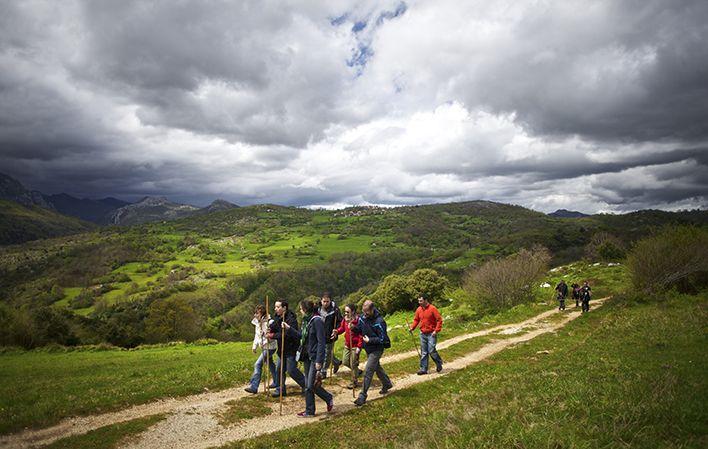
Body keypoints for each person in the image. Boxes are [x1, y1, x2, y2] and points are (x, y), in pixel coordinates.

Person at [284, 299, 334, 417]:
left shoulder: (317, 321)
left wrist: (319, 361)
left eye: (301, 309)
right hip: (307, 356)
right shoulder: (306, 322)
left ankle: (310, 410)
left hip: (314, 357)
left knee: (309, 385)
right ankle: (326, 398)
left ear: (305, 310)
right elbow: (302, 336)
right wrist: (289, 329)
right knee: (308, 384)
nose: (300, 311)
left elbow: (322, 342)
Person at [352, 299, 393, 406]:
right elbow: (360, 329)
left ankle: (362, 396)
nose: (365, 314)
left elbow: (383, 339)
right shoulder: (362, 318)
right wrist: (353, 328)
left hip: (377, 349)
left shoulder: (379, 322)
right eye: (363, 311)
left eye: (367, 312)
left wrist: (370, 340)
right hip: (368, 348)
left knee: (368, 370)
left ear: (372, 309)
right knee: (377, 368)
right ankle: (387, 384)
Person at [268, 299, 306, 397]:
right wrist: (269, 329)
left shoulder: (291, 319)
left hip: (291, 349)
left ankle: (306, 386)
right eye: (275, 307)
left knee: (291, 370)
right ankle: (280, 390)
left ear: (284, 308)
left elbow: (286, 335)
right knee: (279, 369)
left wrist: (272, 335)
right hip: (282, 349)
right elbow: (274, 325)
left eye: (278, 307)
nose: (275, 309)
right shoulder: (277, 317)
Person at [244, 305, 277, 394]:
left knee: (257, 364)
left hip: (270, 348)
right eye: (255, 313)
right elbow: (256, 335)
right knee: (271, 364)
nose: (255, 315)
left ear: (262, 314)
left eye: (257, 313)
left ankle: (254, 387)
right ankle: (277, 381)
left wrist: (266, 337)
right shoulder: (257, 323)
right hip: (263, 347)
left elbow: (274, 337)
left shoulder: (270, 322)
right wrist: (254, 346)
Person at [409, 293, 444, 375]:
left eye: (421, 300)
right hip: (423, 333)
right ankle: (423, 369)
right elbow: (416, 320)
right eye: (418, 301)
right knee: (424, 352)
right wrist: (412, 328)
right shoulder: (418, 309)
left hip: (432, 333)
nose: (419, 302)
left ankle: (439, 363)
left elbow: (439, 320)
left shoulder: (433, 308)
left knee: (431, 350)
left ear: (425, 300)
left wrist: (436, 330)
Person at [332, 303, 363, 388]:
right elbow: (342, 328)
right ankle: (356, 371)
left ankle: (354, 381)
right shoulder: (345, 319)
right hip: (347, 344)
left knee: (353, 363)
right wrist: (337, 331)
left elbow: (361, 334)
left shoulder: (358, 321)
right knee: (345, 361)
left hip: (355, 346)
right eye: (345, 311)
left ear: (353, 311)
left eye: (347, 312)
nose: (345, 313)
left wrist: (359, 347)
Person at [319, 292, 342, 378]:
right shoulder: (317, 309)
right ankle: (336, 362)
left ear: (330, 301)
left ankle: (323, 371)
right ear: (321, 301)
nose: (325, 303)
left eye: (327, 301)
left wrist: (336, 330)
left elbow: (340, 321)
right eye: (324, 301)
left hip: (330, 335)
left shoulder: (335, 310)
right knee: (325, 353)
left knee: (327, 353)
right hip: (320, 334)